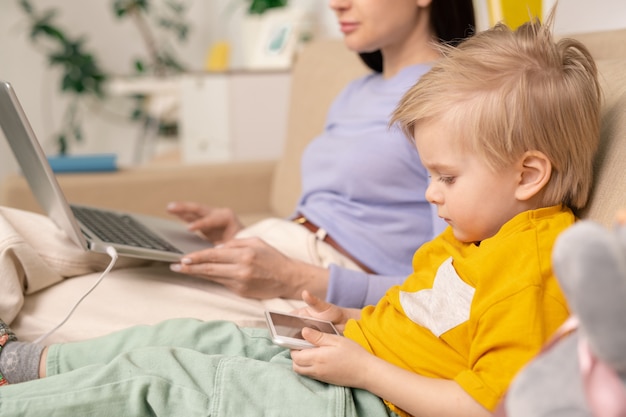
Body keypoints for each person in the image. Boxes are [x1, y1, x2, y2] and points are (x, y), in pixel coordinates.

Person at [0, 14, 602, 416]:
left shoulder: (533, 264)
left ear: (528, 174)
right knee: (189, 339)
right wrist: (351, 318)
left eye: (445, 177)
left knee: (160, 385)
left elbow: (486, 405)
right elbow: (431, 317)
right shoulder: (473, 235)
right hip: (344, 356)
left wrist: (363, 368)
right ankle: (18, 364)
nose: (431, 194)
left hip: (366, 402)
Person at [165, 0, 476, 308]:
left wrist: (292, 277)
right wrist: (242, 236)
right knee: (125, 272)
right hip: (286, 254)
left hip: (321, 286)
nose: (336, 4)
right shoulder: (354, 92)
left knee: (132, 301)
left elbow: (449, 284)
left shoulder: (451, 97)